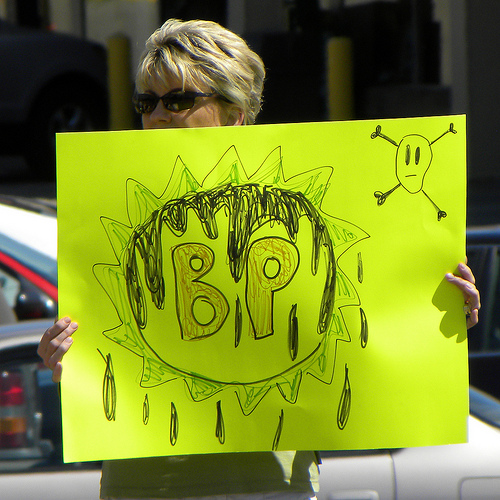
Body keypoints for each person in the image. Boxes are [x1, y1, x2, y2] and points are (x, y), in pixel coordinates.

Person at [37, 18, 481, 500]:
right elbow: (103, 348)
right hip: (145, 485)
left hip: (271, 484)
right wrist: (66, 357)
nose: (158, 115)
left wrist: (439, 310)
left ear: (234, 112)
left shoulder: (307, 197)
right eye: (147, 102)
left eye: (179, 100)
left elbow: (372, 329)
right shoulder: (107, 200)